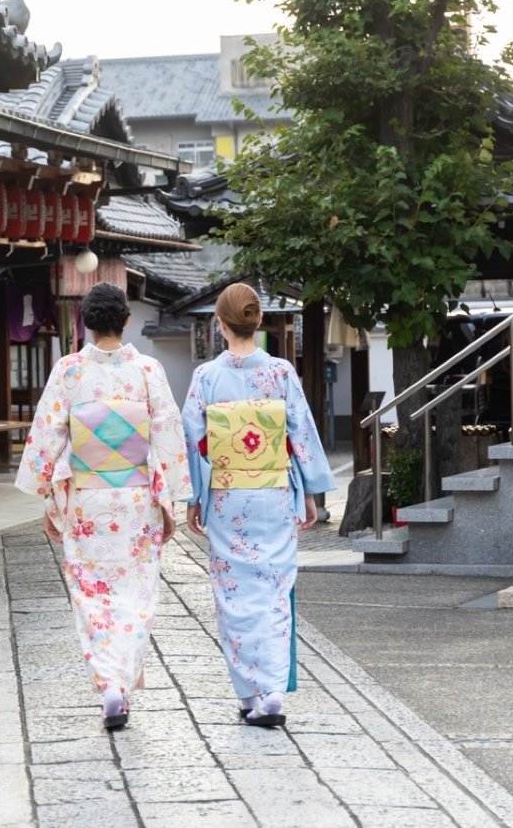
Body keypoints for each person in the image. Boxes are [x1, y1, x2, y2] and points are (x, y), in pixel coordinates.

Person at [15, 282, 191, 729]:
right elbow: (168, 433)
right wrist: (173, 492)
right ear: (126, 321)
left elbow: (49, 437)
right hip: (136, 497)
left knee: (91, 592)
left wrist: (48, 498)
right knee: (136, 592)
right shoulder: (148, 370)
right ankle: (121, 683)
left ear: (86, 324)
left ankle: (109, 684)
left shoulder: (70, 371)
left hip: (87, 498)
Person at [181, 283, 335, 727]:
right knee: (273, 589)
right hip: (274, 492)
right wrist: (308, 494)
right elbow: (301, 436)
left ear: (219, 325)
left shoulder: (207, 378)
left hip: (229, 495)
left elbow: (193, 442)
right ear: (258, 321)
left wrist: (194, 496)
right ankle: (270, 693)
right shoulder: (281, 372)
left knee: (234, 594)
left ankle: (250, 693)